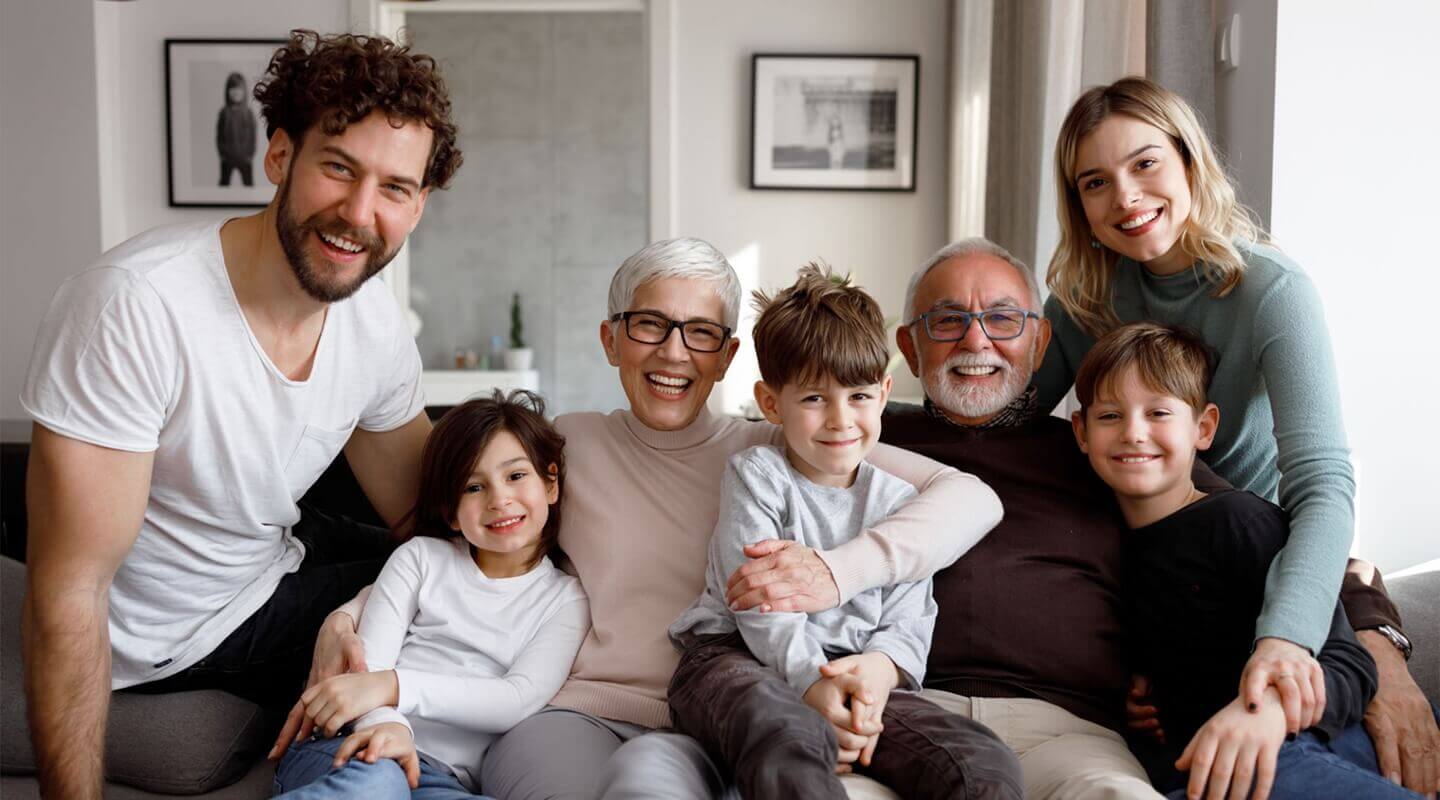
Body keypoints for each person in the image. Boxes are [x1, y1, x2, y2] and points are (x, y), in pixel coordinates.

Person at [319, 237, 1004, 798]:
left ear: (729, 357)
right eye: (650, 325)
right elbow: (463, 537)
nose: (674, 352)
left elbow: (972, 500)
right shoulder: (567, 444)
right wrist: (349, 614)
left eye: (702, 333)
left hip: (728, 712)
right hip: (580, 712)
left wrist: (833, 573)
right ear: (611, 339)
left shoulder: (779, 443)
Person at [19, 29, 462, 799]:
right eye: (338, 168)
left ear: (418, 206)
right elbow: (70, 591)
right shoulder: (138, 305)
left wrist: (356, 608)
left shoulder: (372, 320)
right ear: (281, 157)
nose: (359, 213)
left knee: (487, 580)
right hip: (174, 632)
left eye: (394, 188)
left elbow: (427, 516)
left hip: (267, 562)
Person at [855, 237, 1430, 800]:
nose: (975, 339)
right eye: (948, 320)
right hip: (906, 714)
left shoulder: (1102, 451)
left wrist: (1378, 639)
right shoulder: (856, 440)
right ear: (908, 345)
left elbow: (1272, 537)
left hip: (1069, 733)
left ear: (1040, 338)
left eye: (1003, 318)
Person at [1035, 75, 1354, 737]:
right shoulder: (1080, 301)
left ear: (1189, 160)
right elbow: (1002, 423)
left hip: (1253, 568)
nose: (1125, 197)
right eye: (1095, 182)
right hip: (1152, 582)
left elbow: (1323, 483)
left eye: (1145, 163)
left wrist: (1287, 640)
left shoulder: (1272, 290)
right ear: (1079, 205)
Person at [668, 265, 1021, 799]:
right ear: (771, 403)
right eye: (814, 399)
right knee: (787, 731)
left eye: (858, 396)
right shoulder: (757, 475)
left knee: (981, 762)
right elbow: (760, 603)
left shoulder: (900, 502)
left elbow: (909, 617)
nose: (840, 419)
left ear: (883, 393)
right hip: (734, 659)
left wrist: (877, 676)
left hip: (855, 673)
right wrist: (810, 684)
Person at [1070, 322, 1425, 800]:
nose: (1134, 433)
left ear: (1203, 428)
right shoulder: (1102, 545)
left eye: (1158, 412)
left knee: (1265, 772)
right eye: (1110, 416)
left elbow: (1349, 665)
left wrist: (1267, 715)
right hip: (1200, 767)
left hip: (1306, 745)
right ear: (1082, 432)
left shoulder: (1238, 521)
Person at [268, 391, 588, 799]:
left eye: (515, 476)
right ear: (452, 512)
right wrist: (392, 727)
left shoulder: (566, 599)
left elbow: (516, 698)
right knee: (380, 783)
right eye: (474, 487)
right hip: (350, 744)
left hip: (441, 777)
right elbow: (366, 671)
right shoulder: (420, 558)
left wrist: (395, 686)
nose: (499, 499)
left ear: (550, 484)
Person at [217, 71, 257, 186]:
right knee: (224, 184)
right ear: (227, 91)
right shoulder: (224, 113)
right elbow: (219, 136)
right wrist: (222, 154)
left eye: (239, 89)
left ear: (244, 91)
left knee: (248, 184)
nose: (236, 92)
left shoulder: (248, 113)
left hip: (245, 158)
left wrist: (249, 154)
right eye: (232, 89)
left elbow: (252, 137)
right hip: (227, 158)